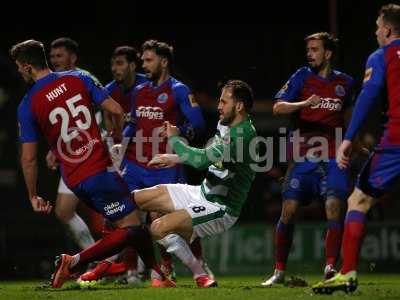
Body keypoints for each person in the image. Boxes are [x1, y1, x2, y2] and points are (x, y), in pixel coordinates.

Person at [11, 39, 174, 289]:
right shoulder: (79, 78)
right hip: (99, 169)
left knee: (132, 226)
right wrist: (118, 143)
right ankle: (74, 262)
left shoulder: (27, 105)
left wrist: (33, 195)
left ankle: (156, 276)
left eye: (19, 67)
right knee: (132, 228)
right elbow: (117, 109)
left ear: (26, 66)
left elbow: (29, 157)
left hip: (75, 179)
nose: (19, 71)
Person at [79, 40, 214, 286]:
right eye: (142, 60)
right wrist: (122, 145)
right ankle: (114, 269)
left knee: (168, 221)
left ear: (163, 61)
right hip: (136, 163)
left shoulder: (179, 90)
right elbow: (134, 122)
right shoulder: (140, 90)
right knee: (118, 214)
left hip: (165, 164)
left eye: (148, 60)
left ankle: (189, 264)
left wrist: (179, 130)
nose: (144, 64)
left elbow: (198, 124)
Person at [133, 79, 258, 288]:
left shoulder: (242, 134)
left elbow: (200, 162)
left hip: (221, 207)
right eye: (219, 101)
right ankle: (104, 262)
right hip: (202, 192)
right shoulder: (225, 124)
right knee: (136, 198)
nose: (218, 106)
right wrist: (172, 158)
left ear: (239, 106)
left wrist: (174, 140)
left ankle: (200, 275)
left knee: (157, 228)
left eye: (224, 102)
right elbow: (208, 155)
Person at [312, 4, 400, 294]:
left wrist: (348, 138)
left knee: (358, 201)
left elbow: (368, 97)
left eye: (377, 27)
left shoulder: (382, 55)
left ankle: (347, 273)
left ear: (387, 29)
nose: (376, 32)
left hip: (396, 141)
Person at [262, 32, 354, 286]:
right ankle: (279, 271)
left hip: (333, 158)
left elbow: (351, 117)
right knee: (289, 212)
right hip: (302, 157)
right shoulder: (301, 76)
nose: (309, 54)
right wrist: (303, 103)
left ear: (328, 54)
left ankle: (329, 268)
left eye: (315, 50)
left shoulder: (345, 83)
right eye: (308, 50)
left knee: (334, 208)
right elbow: (277, 107)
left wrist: (355, 141)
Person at [47, 37, 103, 252]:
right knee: (63, 211)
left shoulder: (84, 78)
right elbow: (58, 122)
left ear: (73, 57)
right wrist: (54, 149)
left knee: (112, 211)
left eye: (59, 55)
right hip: (71, 155)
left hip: (93, 152)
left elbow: (105, 110)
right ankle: (95, 258)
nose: (54, 60)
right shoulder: (51, 83)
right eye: (52, 57)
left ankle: (134, 264)